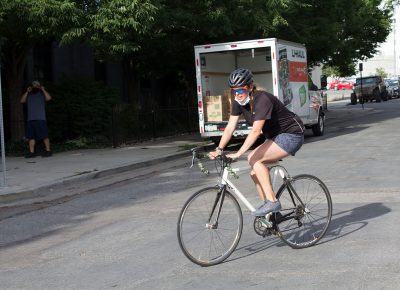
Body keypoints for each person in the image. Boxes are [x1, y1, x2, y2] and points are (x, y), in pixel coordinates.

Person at [210, 68, 305, 216]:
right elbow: (230, 127)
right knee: (254, 172)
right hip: (274, 137)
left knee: (253, 158)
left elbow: (255, 131)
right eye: (234, 91)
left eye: (240, 90)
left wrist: (238, 153)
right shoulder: (238, 101)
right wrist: (219, 148)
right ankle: (270, 214)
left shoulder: (262, 99)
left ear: (250, 87)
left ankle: (273, 202)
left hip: (292, 134)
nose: (237, 95)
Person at [20, 80, 52, 158]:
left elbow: (49, 98)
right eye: (33, 85)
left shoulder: (41, 95)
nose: (35, 86)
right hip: (31, 119)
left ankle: (48, 151)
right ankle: (32, 152)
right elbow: (22, 101)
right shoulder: (29, 96)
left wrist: (43, 89)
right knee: (31, 137)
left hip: (41, 119)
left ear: (39, 86)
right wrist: (27, 92)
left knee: (44, 135)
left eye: (36, 85)